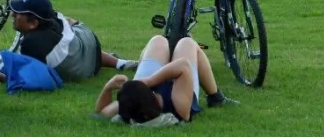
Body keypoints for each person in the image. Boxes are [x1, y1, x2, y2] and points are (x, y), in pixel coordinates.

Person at [95, 35, 234, 126]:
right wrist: (149, 81)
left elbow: (101, 112)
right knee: (187, 43)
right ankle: (215, 97)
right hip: (179, 83)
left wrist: (108, 88)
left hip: (150, 89)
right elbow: (183, 65)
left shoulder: (130, 106)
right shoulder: (178, 106)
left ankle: (149, 62)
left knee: (158, 40)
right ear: (150, 92)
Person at [9, 0, 137, 83]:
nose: (13, 15)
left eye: (18, 13)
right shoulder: (54, 21)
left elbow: (18, 74)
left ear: (33, 24)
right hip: (88, 41)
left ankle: (120, 63)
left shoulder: (31, 44)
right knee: (71, 26)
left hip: (84, 66)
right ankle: (120, 63)